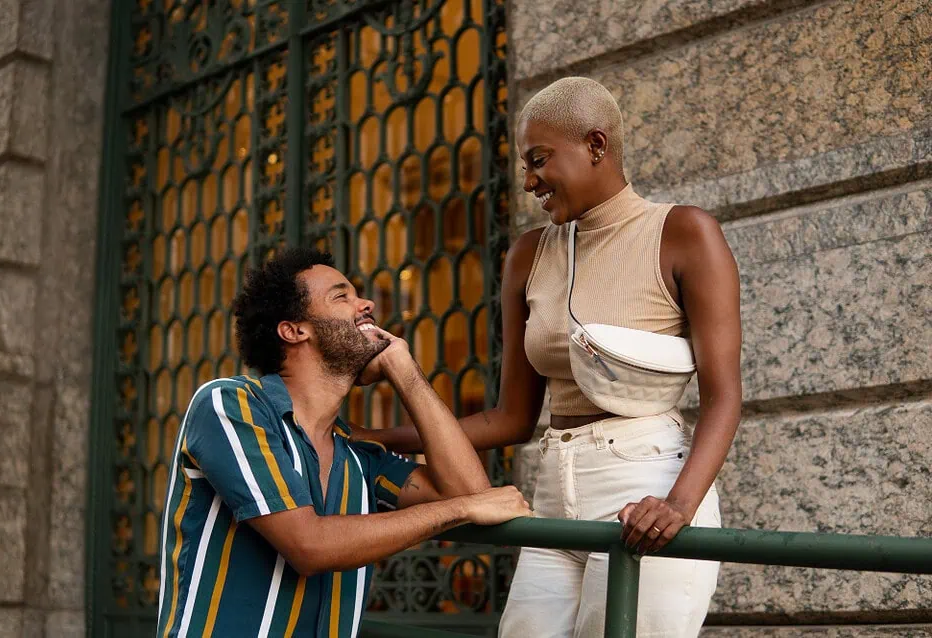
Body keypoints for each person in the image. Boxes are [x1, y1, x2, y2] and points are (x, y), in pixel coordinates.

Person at [357, 76, 742, 637]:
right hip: (553, 488)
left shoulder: (683, 232)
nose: (530, 180)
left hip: (648, 483)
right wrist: (381, 439)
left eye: (540, 160)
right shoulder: (529, 254)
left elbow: (724, 397)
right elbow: (512, 417)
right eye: (524, 165)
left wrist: (677, 506)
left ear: (596, 144)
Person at [155, 248, 531, 638]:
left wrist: (403, 369)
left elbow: (471, 491)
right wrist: (463, 509)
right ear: (294, 330)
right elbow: (308, 546)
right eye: (342, 296)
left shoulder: (357, 456)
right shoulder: (230, 405)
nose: (366, 304)